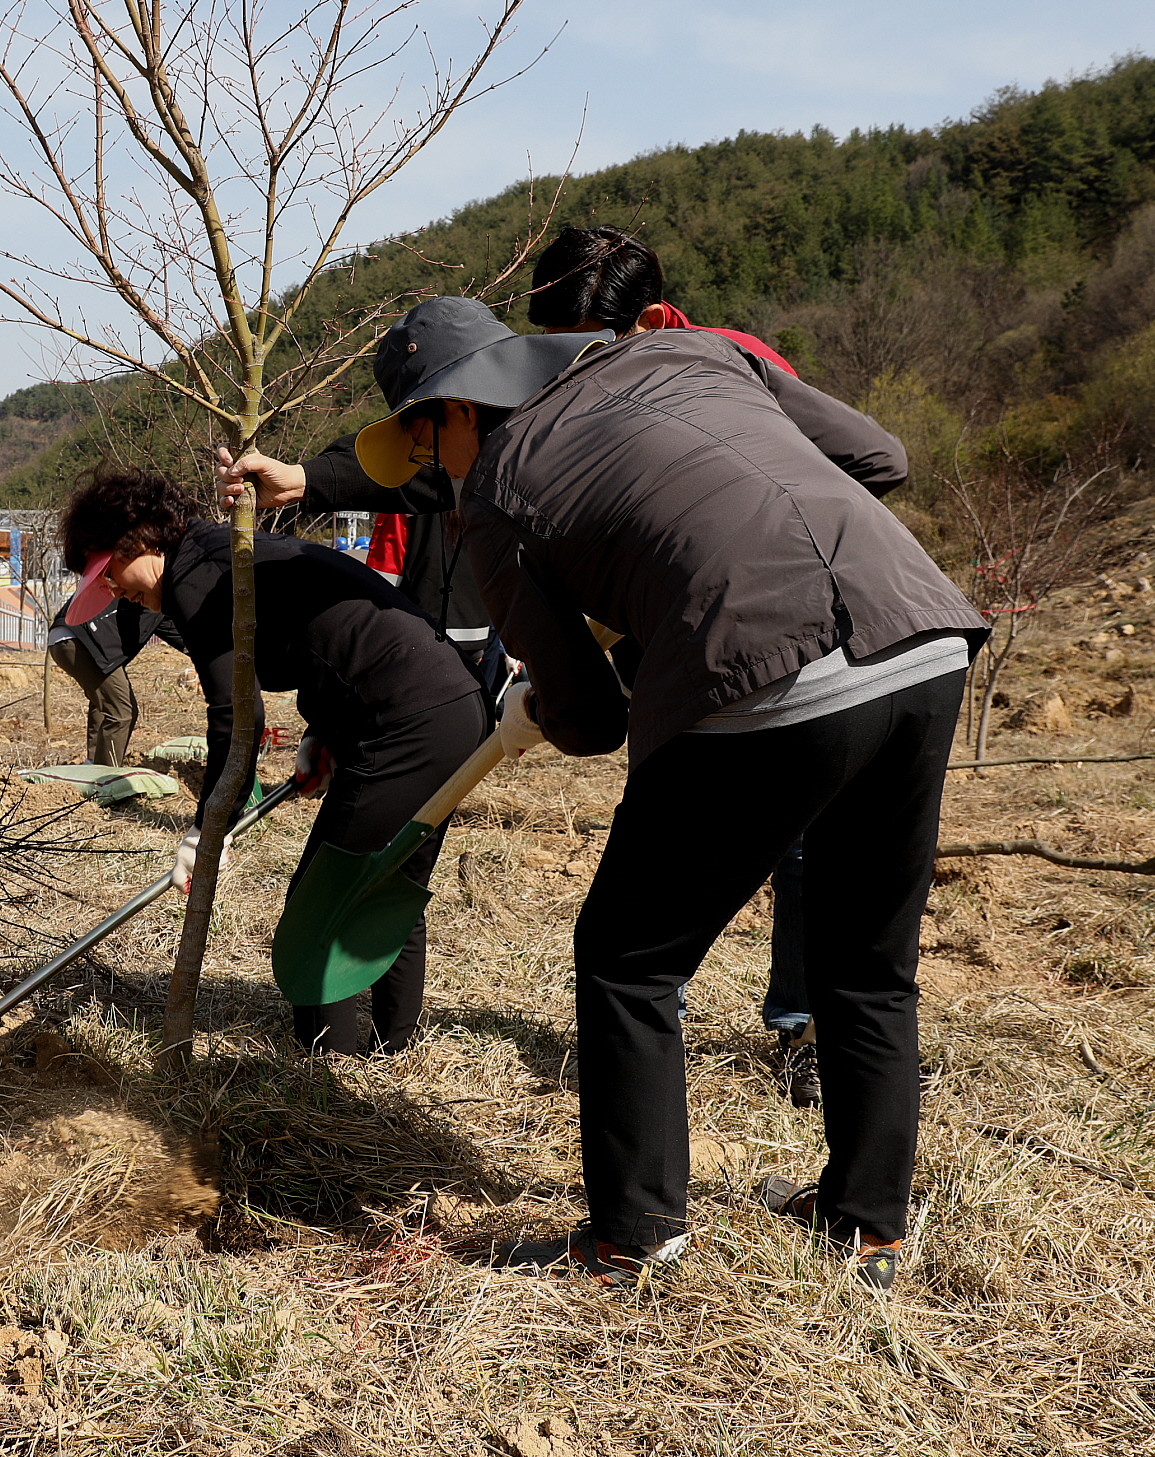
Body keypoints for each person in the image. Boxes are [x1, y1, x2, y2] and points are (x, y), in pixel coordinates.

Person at [365, 295, 986, 1291]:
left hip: (766, 669)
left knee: (627, 957)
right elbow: (879, 457)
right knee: (867, 957)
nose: (432, 462)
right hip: (920, 634)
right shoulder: (690, 353)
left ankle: (633, 1236)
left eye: (423, 436)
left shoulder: (497, 491)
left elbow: (587, 719)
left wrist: (559, 683)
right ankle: (867, 1227)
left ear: (460, 408)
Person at [528, 224, 818, 1107]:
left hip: (786, 630)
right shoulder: (551, 388)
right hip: (662, 645)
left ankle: (804, 1028)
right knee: (661, 831)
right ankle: (651, 1023)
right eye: (556, 351)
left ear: (651, 319)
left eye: (590, 347)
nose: (572, 371)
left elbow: (841, 471)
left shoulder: (735, 361)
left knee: (804, 841)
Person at [59, 463, 485, 1056]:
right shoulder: (218, 553)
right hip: (448, 708)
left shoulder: (199, 576)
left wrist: (210, 824)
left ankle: (325, 1063)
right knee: (385, 884)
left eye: (108, 573)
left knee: (323, 903)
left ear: (141, 539)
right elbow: (328, 640)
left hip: (406, 723)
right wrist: (327, 732)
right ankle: (394, 1051)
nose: (112, 591)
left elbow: (235, 715)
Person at [220, 299, 609, 690]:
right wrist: (300, 480)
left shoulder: (551, 470)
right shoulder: (552, 431)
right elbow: (417, 484)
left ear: (463, 411)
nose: (436, 467)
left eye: (426, 448)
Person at [45, 595, 187, 766]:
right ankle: (105, 777)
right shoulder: (154, 589)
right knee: (122, 712)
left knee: (107, 701)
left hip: (69, 636)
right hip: (80, 638)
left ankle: (94, 763)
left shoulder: (156, 606)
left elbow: (187, 639)